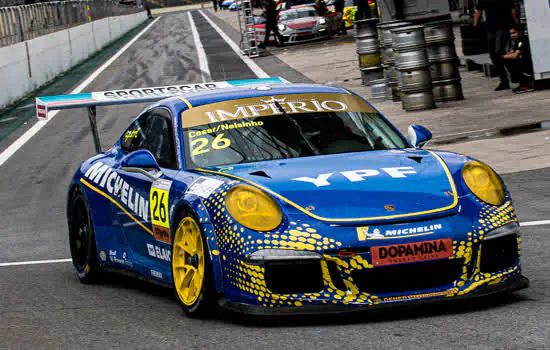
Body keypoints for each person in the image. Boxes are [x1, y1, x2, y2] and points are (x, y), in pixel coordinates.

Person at [473, 0, 519, 91]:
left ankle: (512, 78)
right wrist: (517, 24)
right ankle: (506, 80)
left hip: (497, 28)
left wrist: (475, 25)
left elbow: (478, 12)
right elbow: (513, 11)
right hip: (498, 28)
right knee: (496, 55)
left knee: (498, 54)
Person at [502, 25, 534, 93]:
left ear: (520, 32)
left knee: (510, 62)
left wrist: (502, 57)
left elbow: (515, 55)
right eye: (511, 33)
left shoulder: (522, 40)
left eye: (514, 33)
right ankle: (524, 83)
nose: (512, 35)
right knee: (509, 60)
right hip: (524, 62)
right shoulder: (517, 41)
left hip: (530, 65)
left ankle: (526, 85)